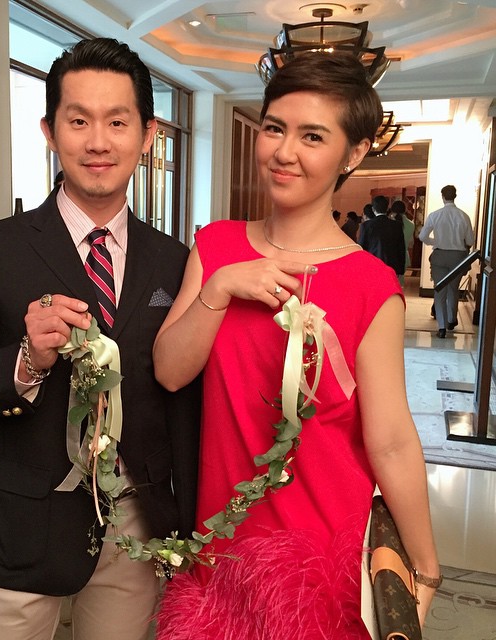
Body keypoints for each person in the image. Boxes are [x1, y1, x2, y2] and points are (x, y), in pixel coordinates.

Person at [0, 38, 200, 640]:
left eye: (117, 122)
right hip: (25, 520)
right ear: (50, 132)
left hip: (137, 521)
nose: (98, 142)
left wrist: (188, 518)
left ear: (147, 135)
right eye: (78, 121)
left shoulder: (175, 261)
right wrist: (26, 360)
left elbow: (182, 400)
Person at [152, 53, 439, 638]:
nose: (284, 152)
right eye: (275, 128)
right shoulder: (217, 247)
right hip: (224, 545)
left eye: (313, 136)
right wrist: (218, 288)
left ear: (354, 153)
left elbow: (389, 440)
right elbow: (169, 371)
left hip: (321, 556)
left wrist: (425, 563)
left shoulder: (370, 286)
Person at [419, 184, 474, 338]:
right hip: (458, 257)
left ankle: (442, 327)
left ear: (442, 197)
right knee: (453, 289)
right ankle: (452, 319)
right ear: (455, 196)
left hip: (440, 256)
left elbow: (422, 236)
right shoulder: (464, 216)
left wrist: (435, 241)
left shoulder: (435, 215)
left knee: (440, 290)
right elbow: (470, 240)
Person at [358, 194, 406, 277]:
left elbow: (362, 248)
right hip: (391, 266)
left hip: (373, 265)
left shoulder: (366, 226)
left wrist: (362, 267)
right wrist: (400, 269)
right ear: (387, 208)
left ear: (373, 209)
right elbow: (401, 249)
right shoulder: (396, 225)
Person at [391, 199, 415, 286]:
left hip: (390, 256)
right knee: (399, 284)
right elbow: (411, 243)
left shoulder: (389, 222)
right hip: (404, 256)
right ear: (404, 210)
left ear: (392, 210)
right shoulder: (411, 224)